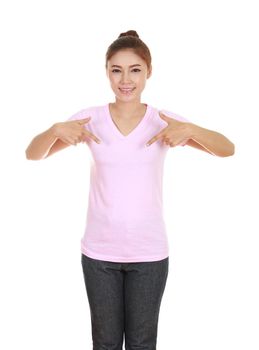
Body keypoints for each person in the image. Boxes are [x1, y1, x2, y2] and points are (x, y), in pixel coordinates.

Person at [25, 30, 235, 350]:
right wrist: (55, 129)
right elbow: (33, 154)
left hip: (149, 254)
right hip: (99, 255)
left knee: (142, 343)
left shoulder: (163, 120)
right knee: (105, 342)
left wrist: (190, 130)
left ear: (148, 72)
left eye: (135, 69)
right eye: (116, 70)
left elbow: (227, 148)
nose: (126, 79)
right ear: (107, 72)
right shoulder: (89, 119)